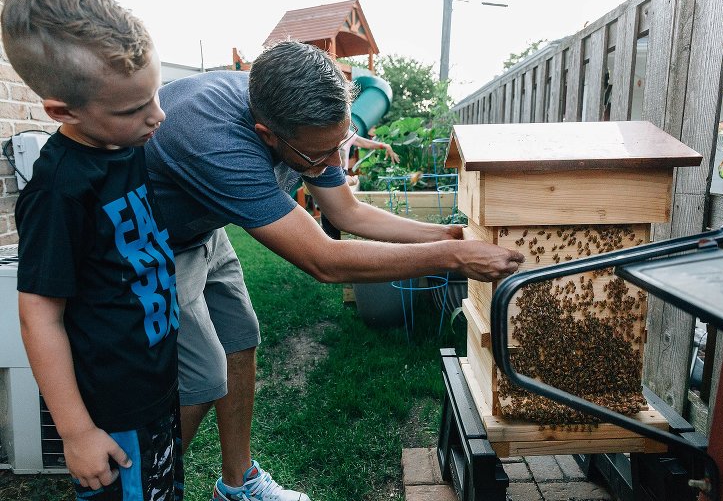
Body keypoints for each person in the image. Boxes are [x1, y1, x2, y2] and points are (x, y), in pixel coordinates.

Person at [144, 40, 524, 501]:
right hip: (154, 242)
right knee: (201, 376)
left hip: (203, 227)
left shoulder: (302, 120)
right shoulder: (217, 142)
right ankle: (145, 487)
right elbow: (323, 260)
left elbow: (349, 213)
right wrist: (453, 259)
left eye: (337, 145)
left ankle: (238, 483)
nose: (332, 164)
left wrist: (443, 237)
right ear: (268, 135)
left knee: (239, 338)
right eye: (319, 155)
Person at [1, 0, 183, 499]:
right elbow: (39, 315)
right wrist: (77, 432)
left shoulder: (123, 144)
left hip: (155, 387)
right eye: (135, 107)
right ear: (64, 111)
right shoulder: (59, 189)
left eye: (157, 94)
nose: (159, 116)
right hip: (112, 409)